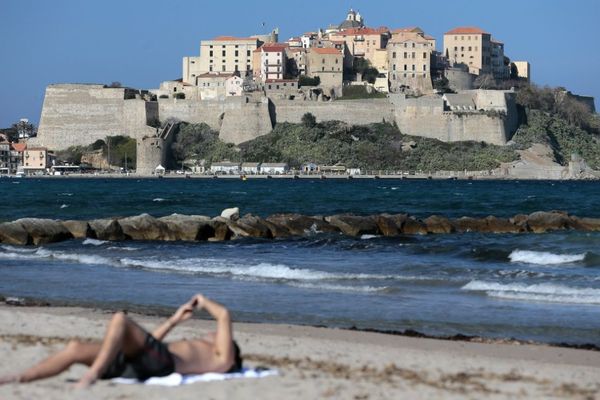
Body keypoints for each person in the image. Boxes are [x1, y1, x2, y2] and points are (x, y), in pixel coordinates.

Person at [0, 293, 242, 388]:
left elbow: (224, 315)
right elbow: (147, 346)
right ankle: (19, 377)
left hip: (160, 363)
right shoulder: (206, 350)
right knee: (75, 348)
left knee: (120, 320)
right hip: (144, 360)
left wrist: (203, 300)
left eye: (217, 335)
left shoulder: (221, 358)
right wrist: (174, 320)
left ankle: (91, 375)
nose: (211, 334)